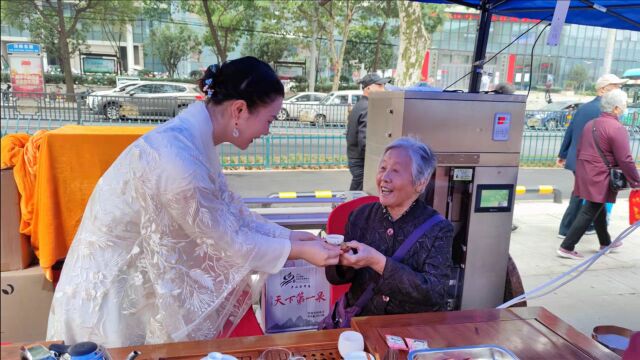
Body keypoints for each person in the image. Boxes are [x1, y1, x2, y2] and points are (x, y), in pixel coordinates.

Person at [47, 57, 341, 347]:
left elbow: (230, 211)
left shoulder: (192, 139)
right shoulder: (179, 160)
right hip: (110, 296)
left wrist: (289, 236)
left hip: (132, 285)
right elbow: (226, 240)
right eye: (269, 120)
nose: (267, 131)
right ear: (239, 109)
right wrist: (298, 250)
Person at [326, 137, 453, 317]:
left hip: (408, 332)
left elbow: (435, 293)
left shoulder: (438, 228)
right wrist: (341, 263)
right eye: (383, 168)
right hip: (361, 325)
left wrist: (377, 262)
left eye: (395, 171)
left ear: (420, 183)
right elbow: (335, 278)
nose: (384, 178)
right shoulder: (361, 215)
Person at [557, 89, 640, 259]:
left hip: (586, 171)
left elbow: (580, 148)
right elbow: (625, 159)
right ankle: (567, 246)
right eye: (624, 105)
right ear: (616, 108)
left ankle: (605, 242)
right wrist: (636, 181)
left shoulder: (591, 124)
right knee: (590, 209)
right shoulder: (617, 128)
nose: (625, 108)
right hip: (601, 175)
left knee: (598, 207)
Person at [556, 74, 628, 240]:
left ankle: (587, 230)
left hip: (579, 159)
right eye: (615, 86)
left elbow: (570, 130)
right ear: (603, 89)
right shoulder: (604, 111)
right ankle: (568, 231)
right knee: (586, 195)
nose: (619, 89)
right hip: (591, 162)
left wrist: (563, 153)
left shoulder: (584, 107)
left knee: (588, 195)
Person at [346, 73, 390, 191]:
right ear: (368, 88)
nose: (383, 89)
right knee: (357, 196)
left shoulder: (361, 104)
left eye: (383, 85)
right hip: (361, 162)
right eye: (379, 85)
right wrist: (377, 159)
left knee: (358, 194)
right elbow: (364, 140)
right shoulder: (367, 107)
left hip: (356, 159)